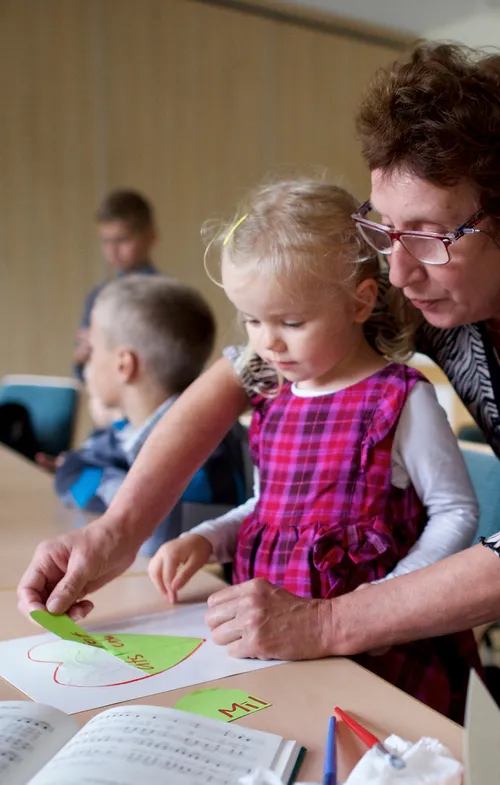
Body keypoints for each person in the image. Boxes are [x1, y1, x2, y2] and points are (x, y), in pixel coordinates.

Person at [17, 41, 500, 678]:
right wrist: (117, 532)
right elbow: (235, 380)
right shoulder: (425, 291)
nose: (398, 269)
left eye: (431, 236)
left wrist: (329, 620)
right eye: (385, 229)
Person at [145, 179, 479, 720]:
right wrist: (207, 541)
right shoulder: (273, 399)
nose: (267, 343)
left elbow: (456, 512)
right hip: (277, 644)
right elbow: (268, 508)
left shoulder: (398, 400)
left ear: (360, 301)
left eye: (292, 323)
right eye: (253, 321)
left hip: (381, 654)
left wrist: (384, 603)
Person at [63, 274, 246, 555]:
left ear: (124, 365)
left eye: (94, 349)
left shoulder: (209, 450)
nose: (86, 361)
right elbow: (75, 465)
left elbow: (158, 538)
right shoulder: (130, 427)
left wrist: (114, 487)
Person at [73, 189, 159, 380]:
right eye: (106, 241)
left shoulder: (167, 296)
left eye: (122, 240)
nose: (113, 250)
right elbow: (81, 373)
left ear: (151, 236)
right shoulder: (97, 296)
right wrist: (82, 357)